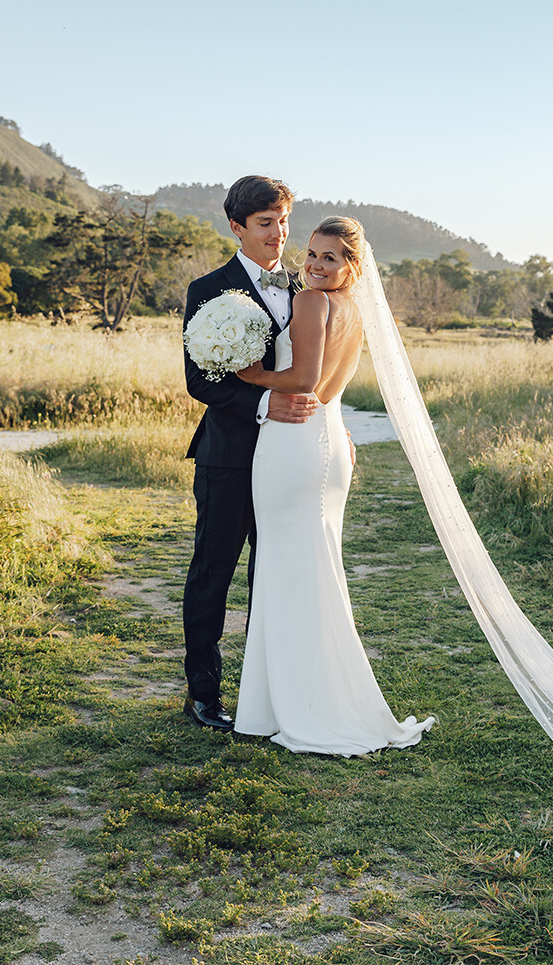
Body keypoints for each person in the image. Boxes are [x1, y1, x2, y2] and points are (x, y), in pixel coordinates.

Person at [232, 217, 435, 755]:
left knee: (285, 569)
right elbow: (331, 386)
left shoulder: (312, 303)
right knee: (313, 572)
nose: (316, 265)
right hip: (327, 443)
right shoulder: (352, 308)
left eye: (330, 258)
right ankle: (305, 700)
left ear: (352, 265)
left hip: (293, 439)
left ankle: (290, 707)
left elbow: (303, 382)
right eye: (313, 254)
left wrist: (249, 375)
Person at [181, 175, 318, 732]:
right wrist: (266, 404)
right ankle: (203, 694)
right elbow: (200, 381)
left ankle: (269, 694)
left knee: (275, 573)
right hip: (229, 455)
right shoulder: (208, 290)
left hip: (289, 458)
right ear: (237, 227)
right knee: (214, 572)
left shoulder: (306, 288)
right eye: (266, 224)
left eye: (283, 221)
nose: (278, 234)